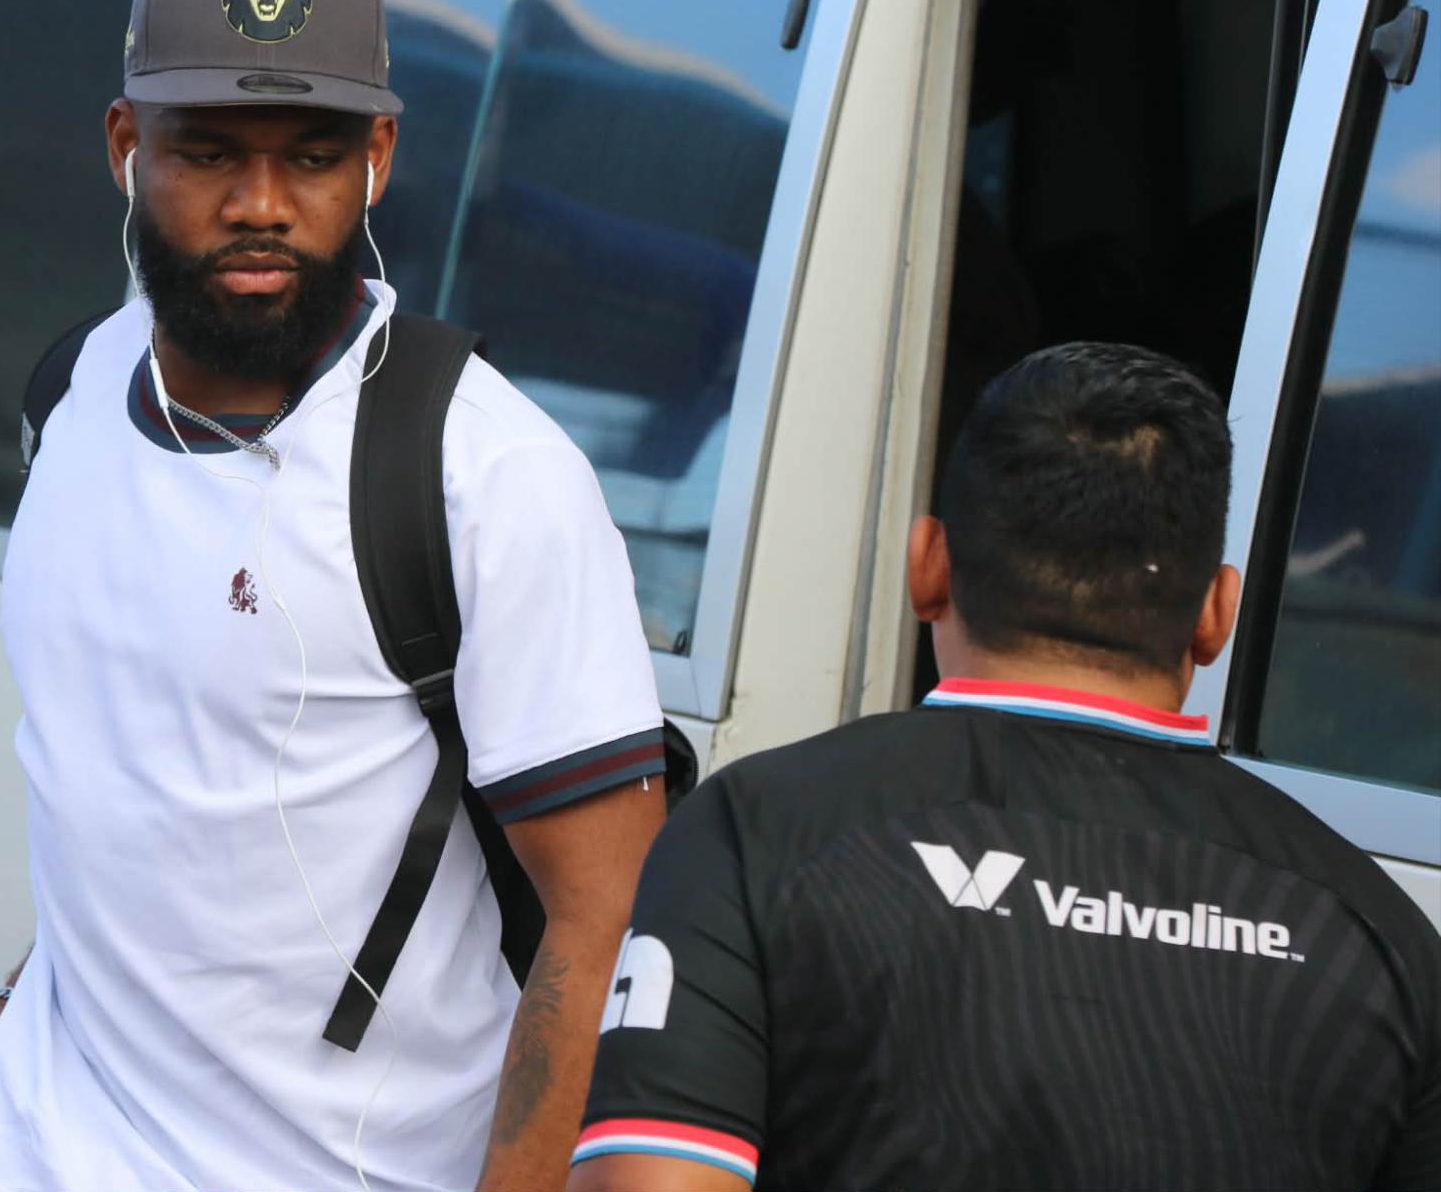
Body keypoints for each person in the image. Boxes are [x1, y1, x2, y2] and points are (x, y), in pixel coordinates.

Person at [0, 0, 667, 1192]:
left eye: (310, 154)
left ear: (379, 159)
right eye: (206, 152)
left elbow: (602, 917)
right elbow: (129, 806)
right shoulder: (72, 394)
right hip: (24, 1152)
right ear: (126, 147)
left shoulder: (484, 474)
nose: (259, 205)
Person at [571, 342, 1441, 1191]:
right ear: (1217, 612)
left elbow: (651, 1178)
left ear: (928, 567)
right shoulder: (1382, 933)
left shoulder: (755, 833)